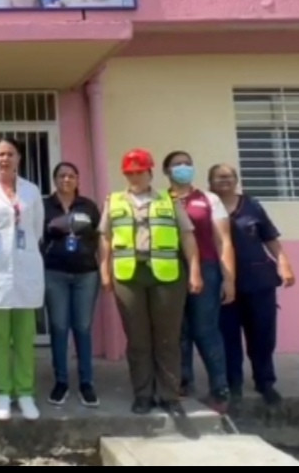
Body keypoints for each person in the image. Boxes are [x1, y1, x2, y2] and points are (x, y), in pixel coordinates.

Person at [98, 148, 202, 417]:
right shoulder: (114, 200)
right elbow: (106, 238)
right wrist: (104, 271)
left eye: (140, 172)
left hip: (167, 275)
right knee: (138, 339)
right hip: (129, 275)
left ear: (150, 173)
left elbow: (187, 236)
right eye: (130, 173)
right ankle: (143, 394)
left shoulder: (169, 200)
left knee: (168, 338)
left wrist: (195, 271)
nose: (135, 177)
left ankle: (169, 395)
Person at [208, 163, 296, 406]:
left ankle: (265, 381)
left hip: (258, 281)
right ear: (210, 182)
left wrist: (284, 263)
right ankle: (233, 383)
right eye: (219, 177)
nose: (224, 180)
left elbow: (270, 237)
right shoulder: (207, 207)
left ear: (236, 180)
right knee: (227, 336)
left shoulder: (252, 206)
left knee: (262, 334)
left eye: (229, 176)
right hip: (222, 283)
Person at [0, 137, 45, 421]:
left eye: (10, 154)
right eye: (0, 154)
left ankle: (25, 392)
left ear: (19, 158)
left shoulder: (31, 191)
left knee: (25, 336)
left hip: (26, 271)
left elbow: (36, 229)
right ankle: (2, 392)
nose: (5, 159)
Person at [162, 150, 236, 414]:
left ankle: (220, 389)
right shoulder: (160, 200)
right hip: (170, 270)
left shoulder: (208, 199)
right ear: (167, 171)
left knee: (205, 330)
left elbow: (223, 241)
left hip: (206, 268)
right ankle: (183, 383)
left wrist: (229, 279)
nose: (183, 168)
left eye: (187, 164)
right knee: (178, 330)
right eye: (177, 164)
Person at [41, 161, 102, 408]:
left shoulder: (88, 206)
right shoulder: (44, 206)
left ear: (77, 179)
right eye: (61, 176)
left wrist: (101, 265)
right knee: (58, 327)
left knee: (83, 328)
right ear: (54, 179)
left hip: (86, 275)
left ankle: (86, 383)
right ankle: (61, 382)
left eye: (71, 176)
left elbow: (100, 238)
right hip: (54, 274)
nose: (66, 179)